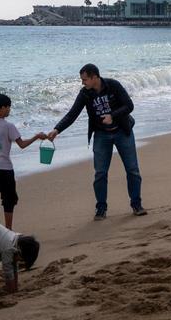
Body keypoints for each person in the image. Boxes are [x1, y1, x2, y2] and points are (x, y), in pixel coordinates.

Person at [46, 64, 145, 220]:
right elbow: (72, 114)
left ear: (94, 77)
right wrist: (56, 130)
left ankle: (136, 205)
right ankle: (101, 209)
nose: (82, 83)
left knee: (132, 170)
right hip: (101, 135)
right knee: (100, 173)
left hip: (122, 131)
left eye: (84, 79)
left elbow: (129, 106)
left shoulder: (113, 85)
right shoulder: (85, 94)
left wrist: (112, 116)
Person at [0, 94, 45, 229]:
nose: (9, 109)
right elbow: (22, 144)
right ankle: (8, 229)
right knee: (9, 200)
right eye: (8, 107)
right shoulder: (9, 126)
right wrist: (37, 136)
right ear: (2, 108)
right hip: (5, 169)